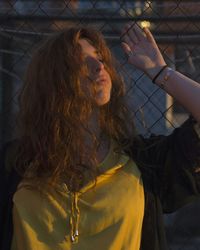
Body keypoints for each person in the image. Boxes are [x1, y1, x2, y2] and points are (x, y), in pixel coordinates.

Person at [0, 23, 200, 250]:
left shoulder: (143, 162)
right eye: (80, 61)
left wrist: (160, 71)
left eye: (100, 58)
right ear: (53, 80)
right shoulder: (14, 164)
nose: (98, 67)